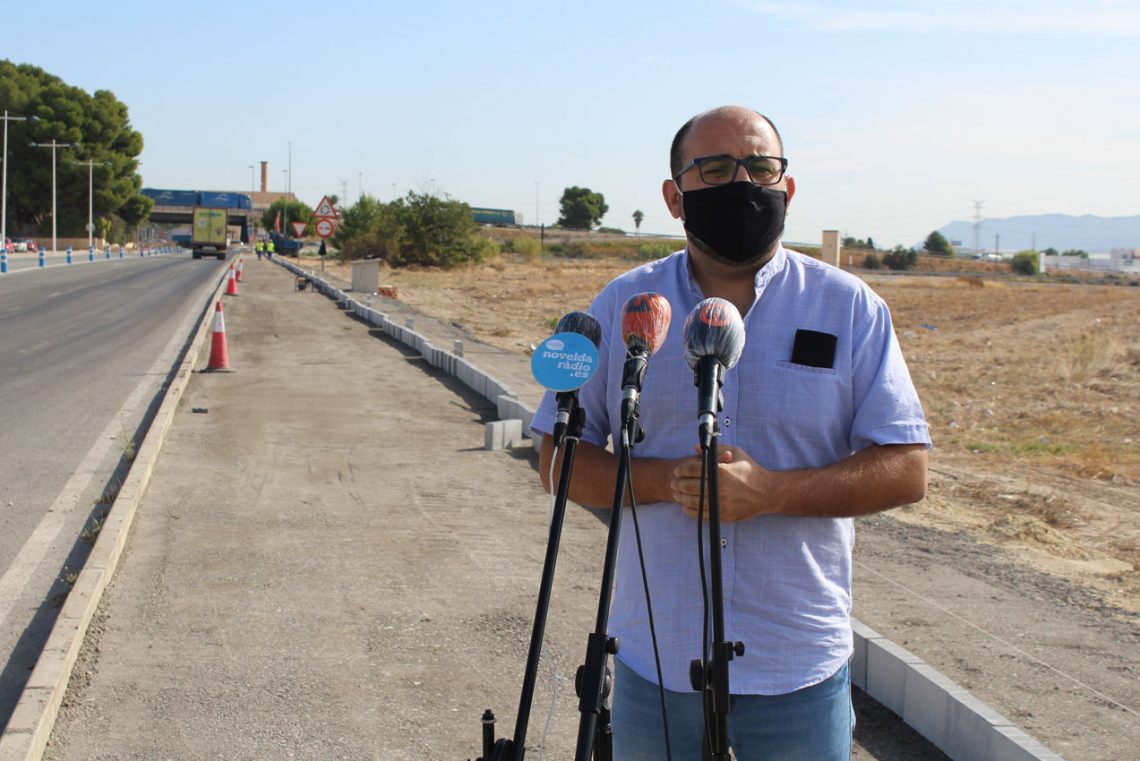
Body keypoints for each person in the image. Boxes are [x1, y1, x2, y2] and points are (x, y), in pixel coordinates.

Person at [531, 105, 930, 760]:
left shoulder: (849, 307)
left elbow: (907, 468)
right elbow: (557, 458)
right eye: (715, 169)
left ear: (786, 188)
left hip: (796, 663)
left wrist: (772, 492)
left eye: (760, 168)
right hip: (656, 660)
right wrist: (667, 481)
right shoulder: (627, 306)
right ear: (674, 197)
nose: (742, 184)